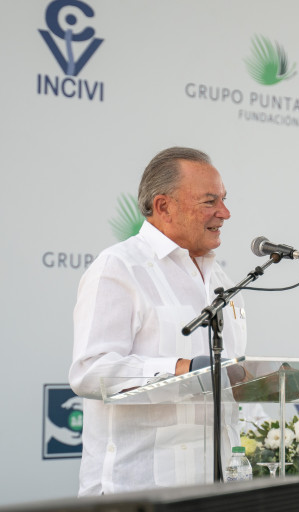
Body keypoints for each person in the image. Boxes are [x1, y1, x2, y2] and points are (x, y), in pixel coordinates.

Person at [69, 147, 247, 495]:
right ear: (164, 206)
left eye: (224, 200)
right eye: (209, 201)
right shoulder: (120, 267)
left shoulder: (223, 282)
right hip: (135, 491)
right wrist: (184, 369)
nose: (224, 213)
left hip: (218, 491)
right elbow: (90, 372)